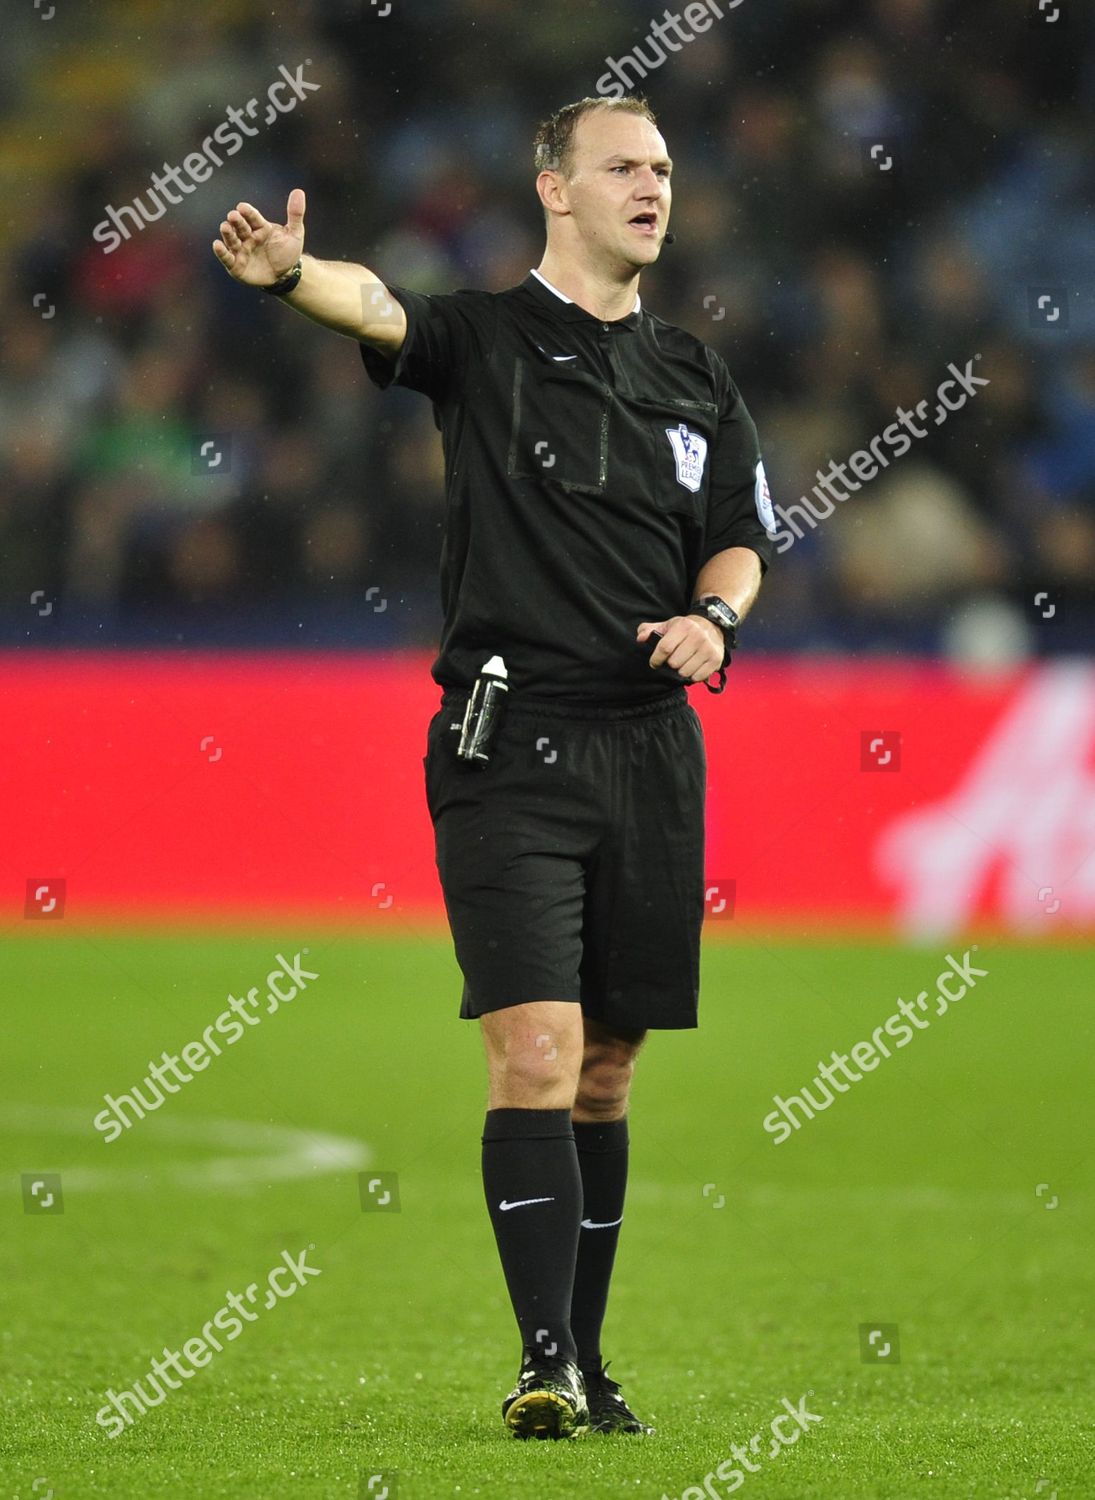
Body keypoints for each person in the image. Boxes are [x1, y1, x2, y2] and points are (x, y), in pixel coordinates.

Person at [212, 93, 774, 1441]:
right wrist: (294, 277)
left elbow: (739, 539)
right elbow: (376, 309)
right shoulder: (484, 336)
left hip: (651, 749)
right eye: (623, 167)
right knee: (534, 1051)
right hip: (508, 745)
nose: (653, 187)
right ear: (555, 191)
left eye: (665, 169)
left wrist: (717, 620)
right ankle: (540, 1361)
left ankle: (587, 1357)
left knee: (608, 1073)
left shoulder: (695, 370)